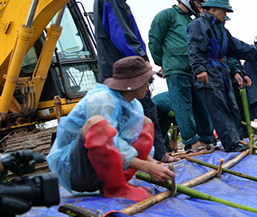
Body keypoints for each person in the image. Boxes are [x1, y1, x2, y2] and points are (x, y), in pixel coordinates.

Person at [46, 56, 175, 202]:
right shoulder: (102, 100)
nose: (148, 85)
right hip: (77, 171)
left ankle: (120, 182)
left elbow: (128, 143)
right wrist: (147, 167)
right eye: (146, 81)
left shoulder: (134, 105)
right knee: (97, 124)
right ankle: (116, 187)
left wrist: (153, 164)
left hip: (103, 173)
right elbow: (112, 143)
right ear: (133, 83)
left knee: (145, 122)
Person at [92, 0, 168, 163]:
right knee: (143, 110)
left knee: (126, 113)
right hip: (125, 68)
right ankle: (156, 156)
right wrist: (140, 60)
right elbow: (122, 34)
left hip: (114, 66)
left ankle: (141, 158)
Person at [187, 0, 257, 153]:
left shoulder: (221, 29)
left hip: (221, 71)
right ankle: (231, 144)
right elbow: (194, 47)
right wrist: (199, 68)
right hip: (208, 71)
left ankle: (236, 139)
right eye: (224, 11)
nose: (226, 14)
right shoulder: (199, 25)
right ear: (214, 9)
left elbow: (238, 47)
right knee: (219, 108)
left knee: (232, 106)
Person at [148, 0, 215, 154]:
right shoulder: (167, 15)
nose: (200, 6)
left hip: (193, 68)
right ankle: (191, 142)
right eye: (198, 2)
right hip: (175, 68)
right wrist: (161, 62)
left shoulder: (192, 20)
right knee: (182, 106)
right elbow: (154, 40)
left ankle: (206, 138)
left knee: (200, 103)